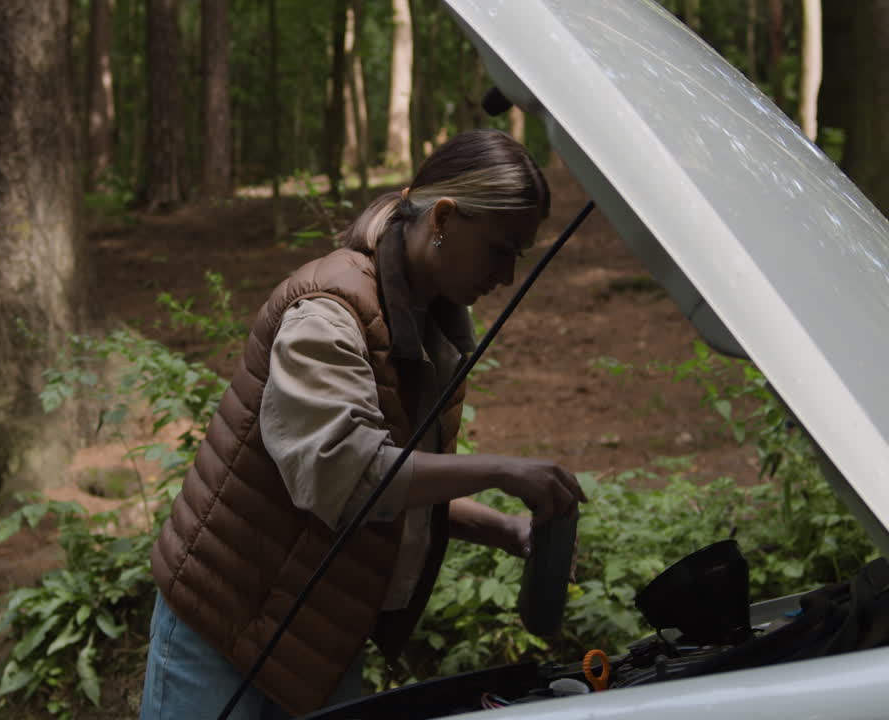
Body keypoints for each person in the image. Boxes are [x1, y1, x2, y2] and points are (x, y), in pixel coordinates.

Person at [139, 129, 587, 720]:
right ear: (445, 218)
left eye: (518, 257)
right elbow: (344, 474)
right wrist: (502, 470)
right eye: (500, 249)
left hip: (318, 630)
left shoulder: (430, 325)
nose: (505, 276)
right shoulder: (329, 313)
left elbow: (392, 489)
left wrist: (506, 530)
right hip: (225, 619)